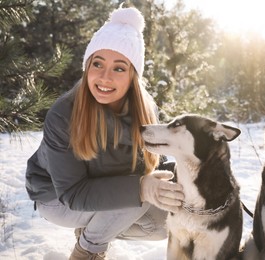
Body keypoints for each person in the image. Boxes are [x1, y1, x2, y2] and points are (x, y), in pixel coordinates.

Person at [25, 7, 184, 260]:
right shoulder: (63, 114)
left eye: (119, 68)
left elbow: (153, 163)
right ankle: (87, 250)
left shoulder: (146, 109)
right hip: (57, 198)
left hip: (102, 190)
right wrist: (142, 188)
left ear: (133, 75)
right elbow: (72, 193)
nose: (104, 77)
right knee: (138, 194)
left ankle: (94, 228)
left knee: (164, 218)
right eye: (97, 64)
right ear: (87, 66)